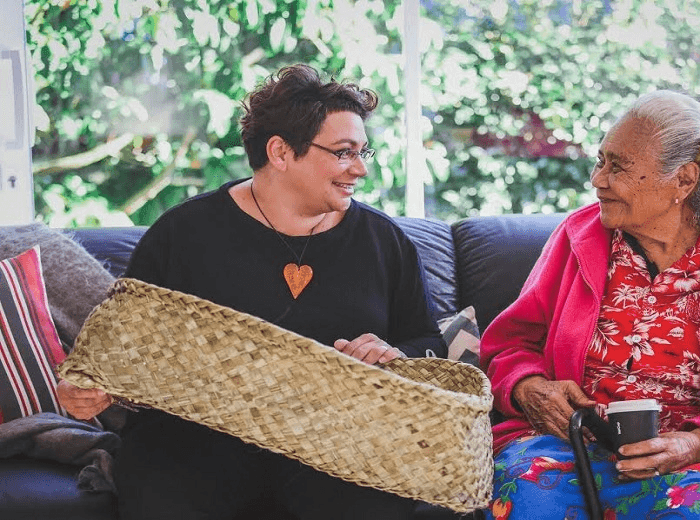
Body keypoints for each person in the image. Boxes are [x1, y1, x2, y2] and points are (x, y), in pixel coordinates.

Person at [57, 63, 446, 519]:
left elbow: (428, 344)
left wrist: (393, 354)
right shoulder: (182, 233)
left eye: (364, 152)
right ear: (280, 151)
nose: (359, 169)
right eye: (343, 153)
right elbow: (119, 352)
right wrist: (85, 387)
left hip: (340, 447)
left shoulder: (384, 241)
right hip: (195, 443)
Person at [481, 90, 700, 520]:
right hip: (567, 446)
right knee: (530, 501)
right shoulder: (576, 236)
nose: (598, 179)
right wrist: (529, 388)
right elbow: (509, 345)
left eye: (617, 167)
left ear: (684, 180)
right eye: (601, 161)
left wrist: (697, 442)